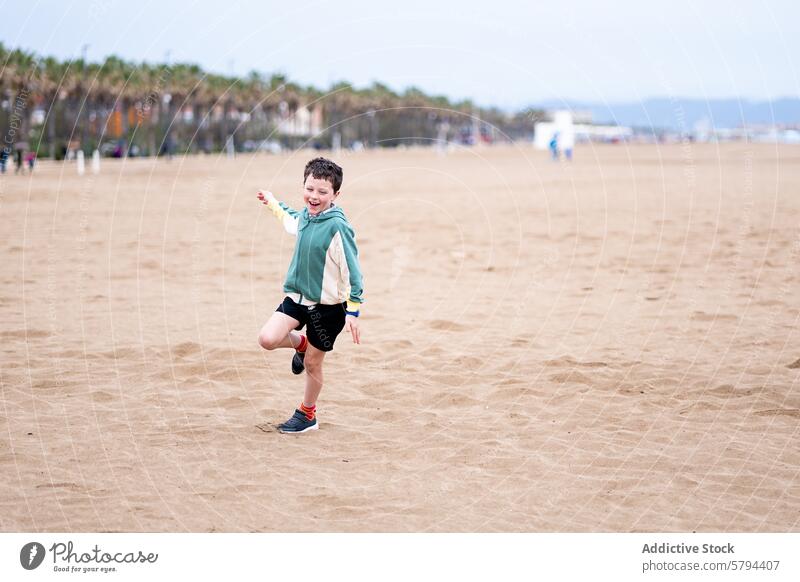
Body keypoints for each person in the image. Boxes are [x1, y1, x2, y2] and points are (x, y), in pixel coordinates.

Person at [256, 157, 364, 433]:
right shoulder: (305, 216)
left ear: (335, 194)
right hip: (297, 298)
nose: (314, 196)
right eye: (310, 189)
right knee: (267, 339)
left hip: (328, 309)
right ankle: (301, 345)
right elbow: (291, 219)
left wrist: (353, 311)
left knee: (314, 364)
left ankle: (307, 414)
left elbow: (353, 271)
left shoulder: (338, 227)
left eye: (322, 191)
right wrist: (271, 202)